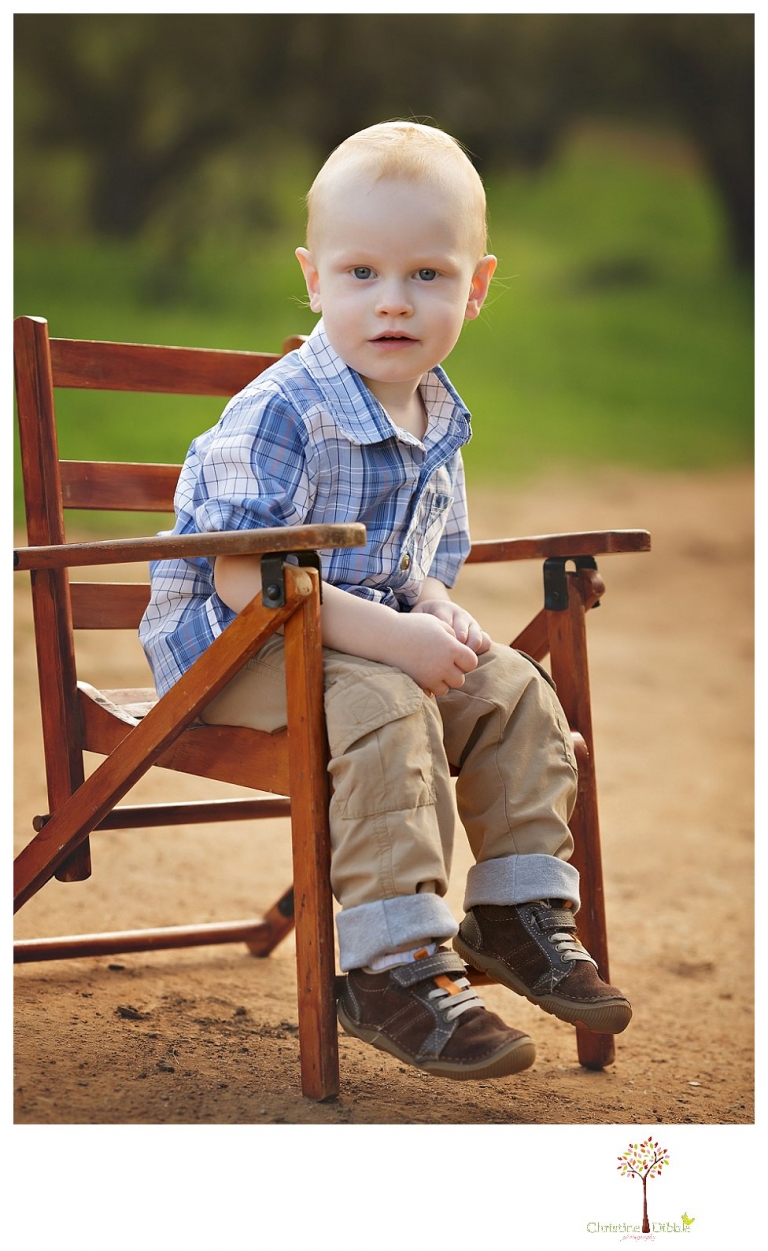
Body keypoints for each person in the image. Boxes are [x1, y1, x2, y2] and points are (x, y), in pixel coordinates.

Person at [140, 120, 631, 1082]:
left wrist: (434, 606)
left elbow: (418, 558)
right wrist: (393, 641)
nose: (393, 302)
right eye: (361, 273)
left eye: (427, 276)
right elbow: (246, 576)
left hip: (358, 643)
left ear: (476, 287)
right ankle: (389, 967)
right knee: (382, 698)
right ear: (314, 278)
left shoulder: (434, 410)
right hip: (233, 654)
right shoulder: (285, 407)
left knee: (517, 689)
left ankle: (517, 913)